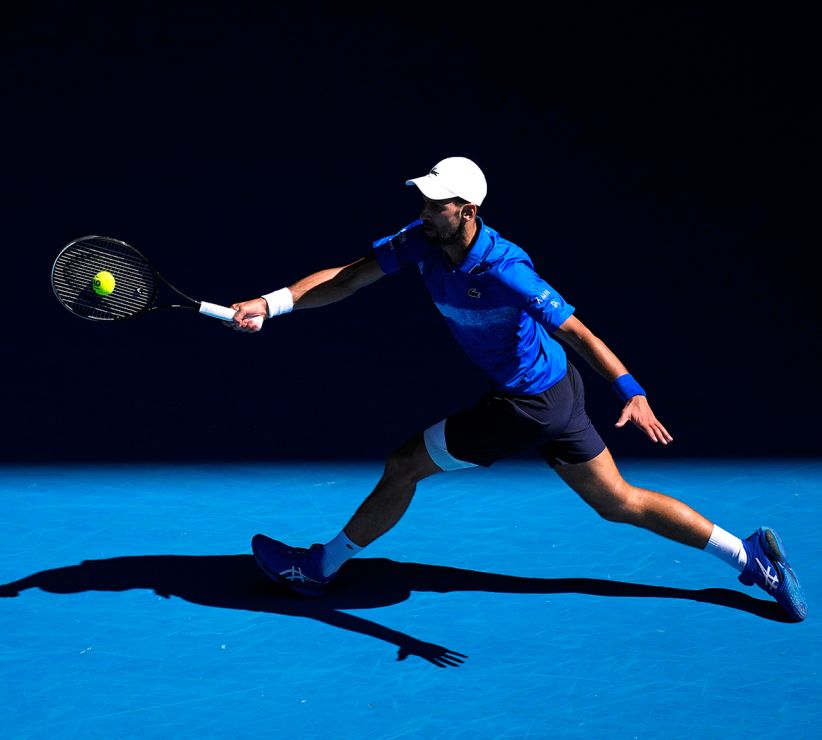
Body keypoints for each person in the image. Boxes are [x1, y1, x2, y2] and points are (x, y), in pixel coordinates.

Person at [227, 156, 807, 622]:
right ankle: (748, 555)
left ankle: (320, 568)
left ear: (468, 210)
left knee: (405, 465)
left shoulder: (507, 269)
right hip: (555, 391)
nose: (425, 210)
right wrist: (271, 305)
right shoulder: (421, 240)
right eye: (423, 200)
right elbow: (348, 278)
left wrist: (631, 389)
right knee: (617, 501)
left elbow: (575, 329)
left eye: (437, 204)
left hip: (529, 403)